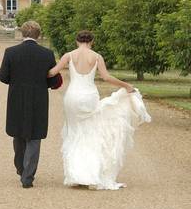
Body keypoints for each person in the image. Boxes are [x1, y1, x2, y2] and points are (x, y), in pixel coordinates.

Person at [47, 30, 151, 189]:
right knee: (90, 133)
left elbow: (52, 72)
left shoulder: (68, 55)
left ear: (77, 41)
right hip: (89, 96)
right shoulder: (96, 57)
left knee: (74, 133)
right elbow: (106, 77)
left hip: (72, 97)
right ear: (91, 42)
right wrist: (126, 86)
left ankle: (76, 174)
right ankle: (89, 173)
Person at [0, 20, 59, 188]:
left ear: (22, 33)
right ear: (38, 35)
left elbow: (3, 76)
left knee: (18, 134)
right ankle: (28, 176)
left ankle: (20, 167)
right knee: (34, 137)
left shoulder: (11, 52)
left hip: (17, 97)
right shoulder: (47, 54)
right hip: (38, 97)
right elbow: (53, 80)